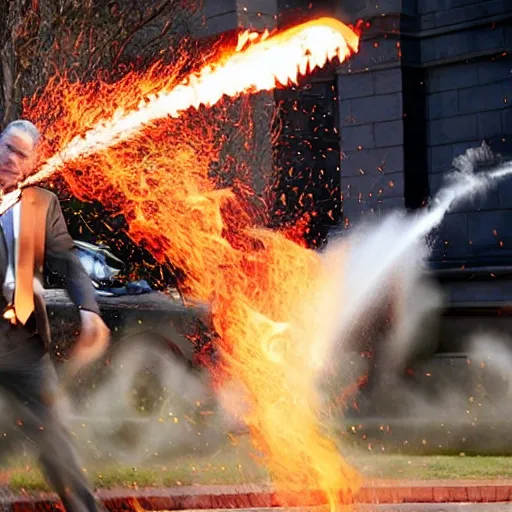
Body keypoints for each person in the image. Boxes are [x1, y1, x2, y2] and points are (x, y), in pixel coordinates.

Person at [0, 119, 110, 511]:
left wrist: (89, 310)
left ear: (33, 163)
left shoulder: (42, 204)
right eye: (7, 148)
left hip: (26, 344)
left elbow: (68, 260)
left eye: (21, 154)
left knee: (55, 436)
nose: (11, 159)